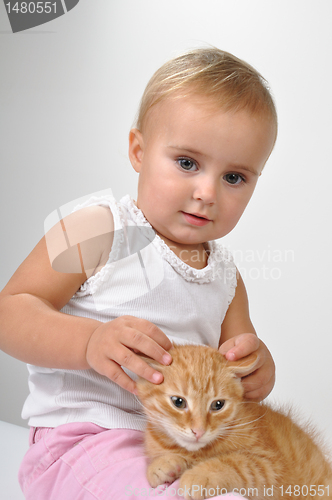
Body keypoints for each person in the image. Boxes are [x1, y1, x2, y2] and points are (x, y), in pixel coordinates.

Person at [0, 47, 277, 500]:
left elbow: (236, 369)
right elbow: (10, 311)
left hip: (183, 441)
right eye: (187, 163)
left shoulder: (226, 277)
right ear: (139, 151)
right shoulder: (99, 228)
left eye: (234, 178)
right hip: (85, 442)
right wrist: (89, 342)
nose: (206, 192)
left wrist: (258, 371)